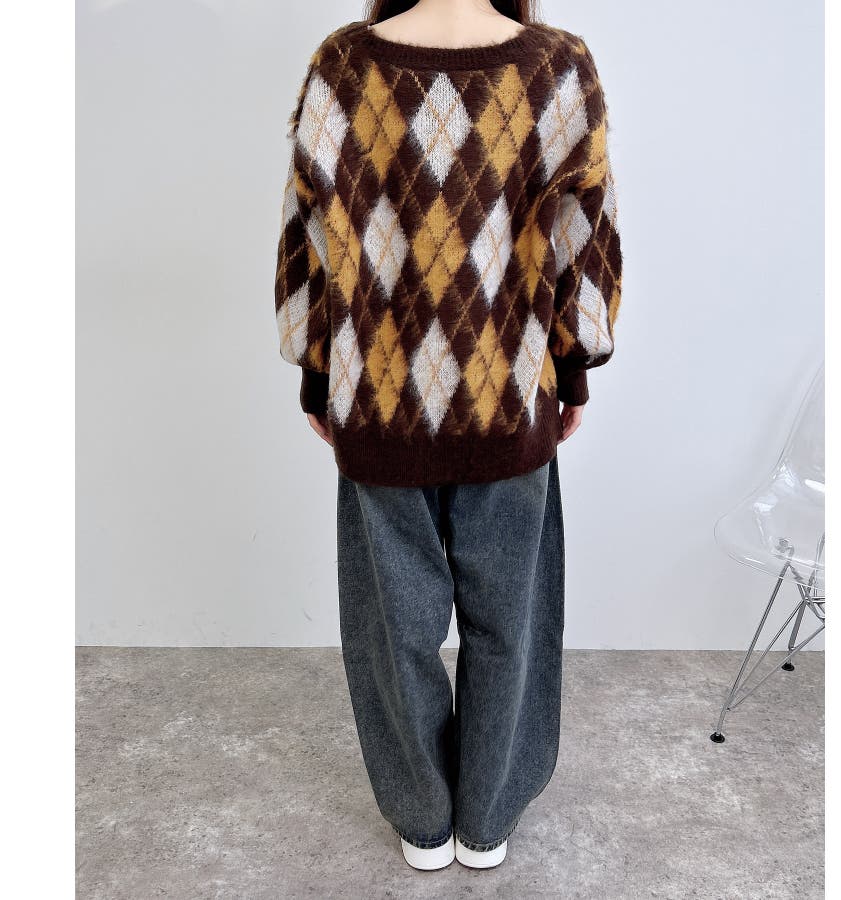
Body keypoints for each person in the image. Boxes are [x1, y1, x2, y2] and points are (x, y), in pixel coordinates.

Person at [274, 0, 623, 872]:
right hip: (509, 399)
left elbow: (308, 238)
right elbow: (585, 237)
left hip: (379, 402)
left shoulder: (343, 66)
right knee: (511, 621)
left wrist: (317, 372)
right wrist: (572, 367)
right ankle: (486, 818)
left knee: (393, 628)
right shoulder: (557, 66)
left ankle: (422, 818)